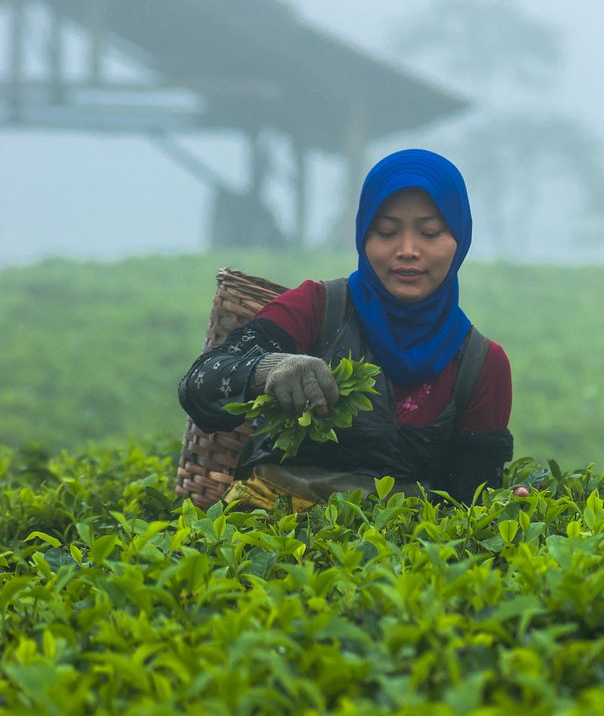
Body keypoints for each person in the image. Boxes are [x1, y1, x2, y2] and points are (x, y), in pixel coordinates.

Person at [178, 149, 516, 510]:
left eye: (430, 233)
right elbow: (199, 385)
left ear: (459, 238)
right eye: (386, 231)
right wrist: (267, 369)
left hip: (395, 557)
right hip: (268, 536)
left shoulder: (481, 365)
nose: (407, 250)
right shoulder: (316, 307)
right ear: (363, 236)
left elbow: (470, 503)